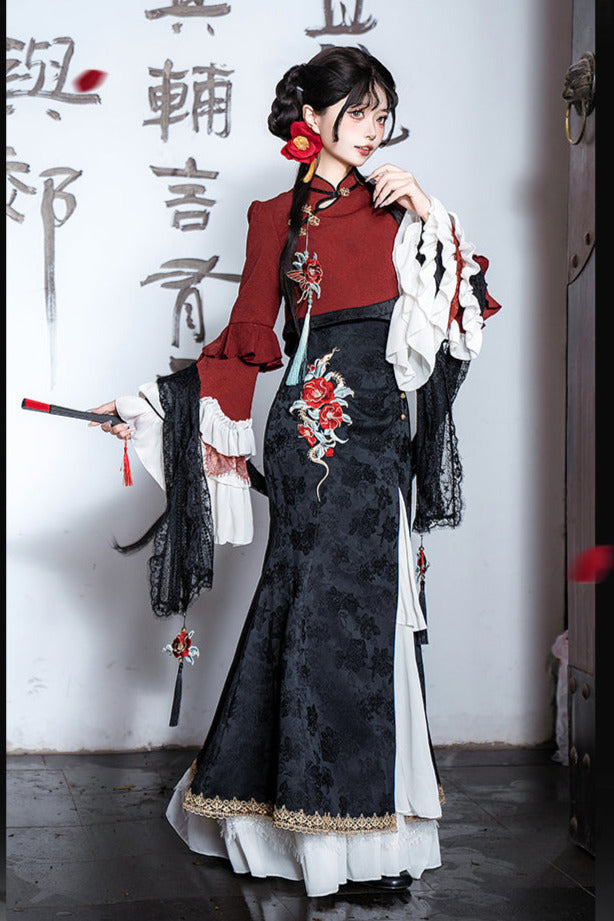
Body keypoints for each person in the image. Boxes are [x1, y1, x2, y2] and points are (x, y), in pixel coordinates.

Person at [91, 45, 501, 898]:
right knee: (318, 609)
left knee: (362, 614)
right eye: (358, 112)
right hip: (312, 432)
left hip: (380, 433)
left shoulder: (400, 210)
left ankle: (354, 830)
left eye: (382, 113)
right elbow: (247, 335)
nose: (374, 129)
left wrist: (427, 208)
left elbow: (464, 313)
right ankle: (318, 840)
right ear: (311, 118)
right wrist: (153, 404)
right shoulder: (275, 215)